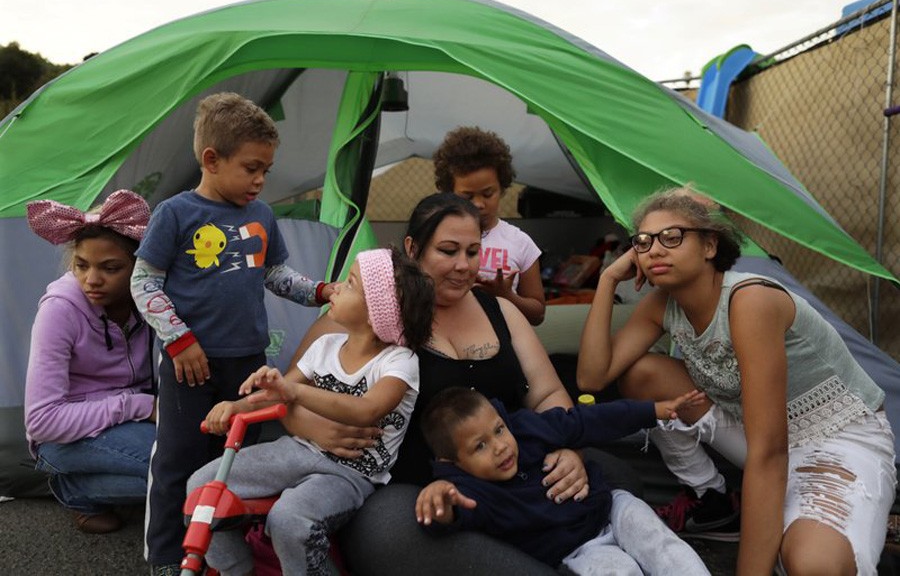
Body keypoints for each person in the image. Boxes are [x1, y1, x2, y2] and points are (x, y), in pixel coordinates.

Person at [285, 193, 637, 575]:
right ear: (413, 248)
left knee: (615, 473)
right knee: (388, 530)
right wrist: (313, 427)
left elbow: (548, 392)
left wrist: (568, 449)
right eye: (448, 251)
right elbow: (284, 394)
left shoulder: (498, 309)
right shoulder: (368, 316)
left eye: (473, 252)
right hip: (420, 491)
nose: (463, 266)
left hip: (512, 471)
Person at [576, 187, 896, 575]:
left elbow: (770, 453)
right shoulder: (663, 305)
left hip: (835, 439)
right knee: (642, 374)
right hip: (755, 431)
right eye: (642, 242)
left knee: (813, 564)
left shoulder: (749, 301)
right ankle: (711, 496)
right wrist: (608, 279)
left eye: (672, 237)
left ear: (710, 246)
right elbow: (592, 376)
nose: (654, 250)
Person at [130, 92, 336, 574]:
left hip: (249, 365)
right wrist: (179, 340)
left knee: (241, 461)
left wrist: (322, 290)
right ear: (211, 159)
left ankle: (231, 553)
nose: (261, 179)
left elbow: (276, 275)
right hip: (189, 363)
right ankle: (165, 555)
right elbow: (143, 281)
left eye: (267, 168)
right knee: (179, 459)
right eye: (251, 167)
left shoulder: (262, 216)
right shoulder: (175, 214)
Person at [186, 247, 434, 575]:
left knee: (290, 519)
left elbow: (367, 410)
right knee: (201, 488)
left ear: (378, 312)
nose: (336, 287)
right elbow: (278, 396)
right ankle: (237, 570)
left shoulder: (398, 362)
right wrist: (236, 406)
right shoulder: (324, 347)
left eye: (350, 284)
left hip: (350, 475)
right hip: (297, 449)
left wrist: (295, 392)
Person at [415, 387, 710, 575]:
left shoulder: (527, 428)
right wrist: (442, 503)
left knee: (657, 542)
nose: (500, 446)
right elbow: (453, 517)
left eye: (499, 430)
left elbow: (587, 420)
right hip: (579, 550)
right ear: (453, 463)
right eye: (479, 446)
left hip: (608, 509)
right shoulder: (470, 491)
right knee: (618, 571)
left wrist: (654, 410)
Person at [24, 189, 156, 535]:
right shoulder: (60, 311)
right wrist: (138, 405)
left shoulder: (152, 298)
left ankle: (86, 485)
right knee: (178, 471)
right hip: (64, 436)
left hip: (131, 422)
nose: (91, 280)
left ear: (140, 267)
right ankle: (76, 489)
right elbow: (41, 421)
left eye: (110, 268)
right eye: (81, 266)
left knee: (196, 464)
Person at [433, 126, 546, 325]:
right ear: (449, 192)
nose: (478, 204)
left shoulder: (520, 243)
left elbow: (538, 315)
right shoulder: (435, 237)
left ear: (502, 187)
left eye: (487, 194)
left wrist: (507, 296)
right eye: (467, 196)